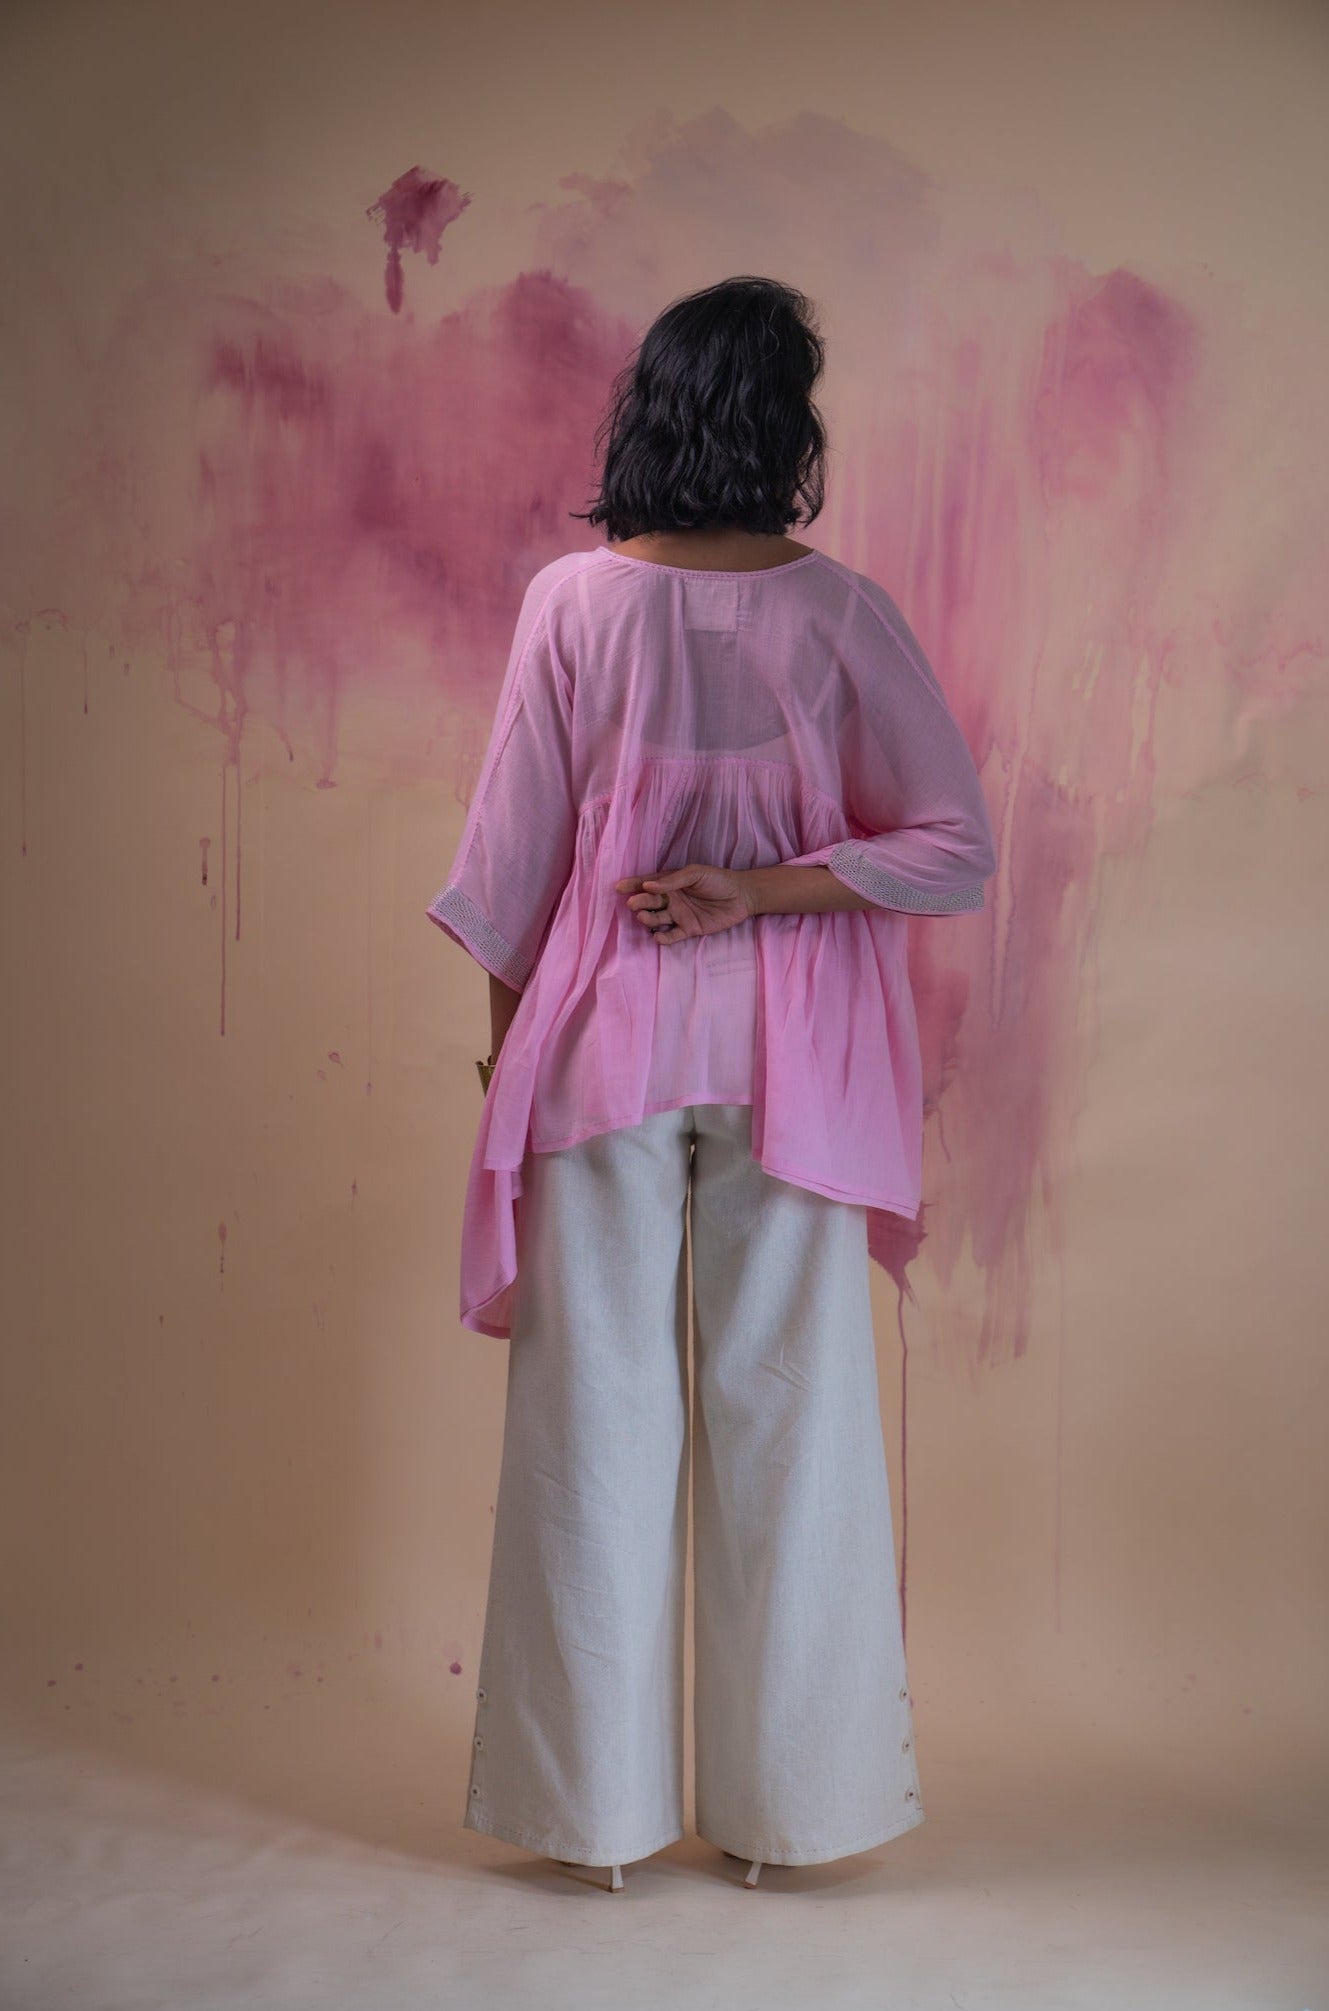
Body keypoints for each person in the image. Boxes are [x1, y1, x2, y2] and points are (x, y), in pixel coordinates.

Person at [426, 276, 997, 1893]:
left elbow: (509, 874)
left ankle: (589, 1828)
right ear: (786, 427)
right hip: (792, 1069)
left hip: (598, 1050)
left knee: (586, 1430)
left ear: (652, 412)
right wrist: (765, 891)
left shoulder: (569, 603)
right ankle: (789, 1822)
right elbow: (951, 848)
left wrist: (509, 1059)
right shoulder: (841, 613)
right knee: (793, 1427)